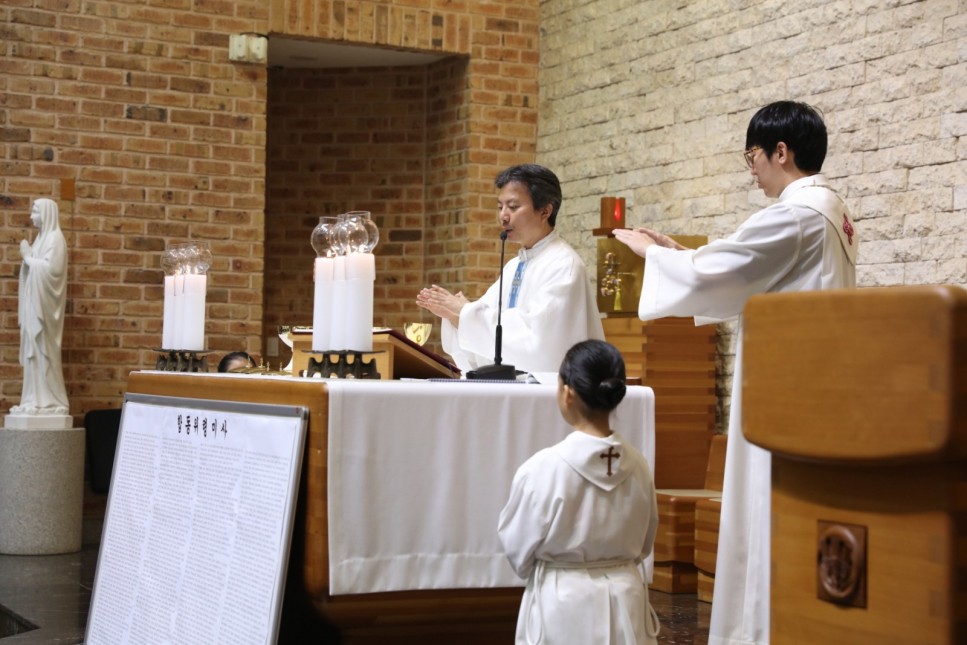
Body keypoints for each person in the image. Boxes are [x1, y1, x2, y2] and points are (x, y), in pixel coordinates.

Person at [613, 100, 858, 645]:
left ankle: (759, 631)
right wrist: (679, 252)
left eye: (752, 157)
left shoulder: (798, 213)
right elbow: (748, 269)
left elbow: (730, 269)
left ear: (780, 151)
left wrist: (654, 257)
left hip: (782, 389)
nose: (751, 170)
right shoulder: (831, 211)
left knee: (765, 509)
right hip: (810, 381)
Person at [497, 339, 660, 645]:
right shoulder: (639, 465)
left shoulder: (543, 468)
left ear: (568, 393)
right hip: (625, 597)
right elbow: (645, 542)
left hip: (564, 602)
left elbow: (517, 549)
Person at [416, 163, 604, 375]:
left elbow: (540, 346)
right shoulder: (514, 266)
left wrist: (464, 312)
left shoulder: (563, 266)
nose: (503, 216)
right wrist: (455, 316)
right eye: (500, 207)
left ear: (545, 211)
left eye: (513, 207)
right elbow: (481, 328)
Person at [12, 198, 69, 415]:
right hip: (33, 307)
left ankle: (50, 402)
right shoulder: (40, 239)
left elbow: (52, 272)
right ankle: (32, 400)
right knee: (33, 355)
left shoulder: (56, 239)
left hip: (44, 312)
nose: (31, 216)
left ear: (46, 214)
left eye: (35, 212)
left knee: (44, 353)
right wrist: (28, 259)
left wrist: (28, 258)